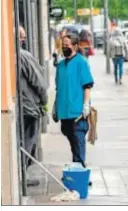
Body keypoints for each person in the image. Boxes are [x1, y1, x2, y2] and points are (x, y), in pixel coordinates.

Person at [52, 34, 94, 168]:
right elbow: (59, 89)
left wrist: (86, 105)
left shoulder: (81, 62)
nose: (64, 47)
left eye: (67, 45)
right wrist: (55, 107)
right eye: (63, 45)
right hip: (64, 113)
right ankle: (79, 171)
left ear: (75, 46)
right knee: (74, 146)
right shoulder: (60, 66)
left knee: (78, 147)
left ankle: (80, 175)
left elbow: (87, 85)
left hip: (78, 114)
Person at [19, 26, 48, 187]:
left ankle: (22, 176)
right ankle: (23, 177)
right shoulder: (24, 56)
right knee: (28, 143)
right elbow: (39, 82)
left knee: (23, 142)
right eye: (22, 37)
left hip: (21, 108)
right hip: (29, 109)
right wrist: (44, 102)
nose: (24, 40)